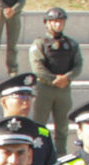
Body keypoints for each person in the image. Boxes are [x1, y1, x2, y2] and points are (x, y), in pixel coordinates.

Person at [31, 10, 80, 147]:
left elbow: (78, 66)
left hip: (63, 90)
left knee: (62, 127)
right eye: (55, 21)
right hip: (44, 88)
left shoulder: (71, 44)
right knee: (39, 126)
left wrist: (66, 78)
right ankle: (37, 154)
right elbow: (37, 67)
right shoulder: (40, 43)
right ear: (47, 23)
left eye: (61, 21)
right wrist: (53, 79)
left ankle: (60, 154)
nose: (58, 24)